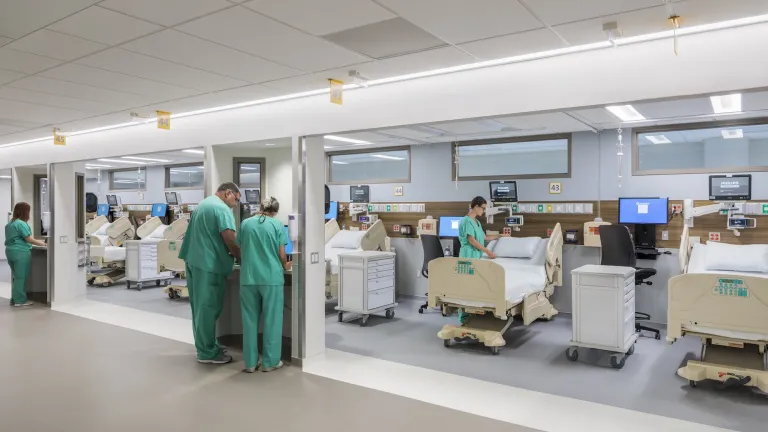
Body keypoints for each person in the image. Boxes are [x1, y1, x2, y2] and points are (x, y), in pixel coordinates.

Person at [179, 182, 242, 365]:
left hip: (194, 261)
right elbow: (230, 239)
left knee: (199, 308)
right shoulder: (222, 209)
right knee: (208, 309)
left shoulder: (204, 204)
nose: (235, 204)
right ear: (228, 193)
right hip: (209, 265)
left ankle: (207, 345)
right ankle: (206, 353)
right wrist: (241, 257)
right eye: (236, 199)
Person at [237, 197, 291, 373]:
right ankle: (270, 362)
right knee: (272, 320)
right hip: (271, 278)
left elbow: (241, 246)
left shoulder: (245, 223)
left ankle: (250, 363)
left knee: (249, 320)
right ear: (275, 211)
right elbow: (281, 253)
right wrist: (286, 264)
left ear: (260, 208)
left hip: (248, 277)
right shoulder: (276, 225)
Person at [457, 196, 507, 323]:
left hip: (477, 257)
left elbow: (484, 237)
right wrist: (487, 251)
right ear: (475, 207)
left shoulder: (477, 222)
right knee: (466, 287)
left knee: (475, 286)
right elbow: (471, 240)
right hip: (468, 255)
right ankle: (463, 318)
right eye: (483, 208)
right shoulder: (466, 221)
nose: (484, 211)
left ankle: (474, 314)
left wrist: (499, 236)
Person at [5, 202, 47, 307]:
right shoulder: (21, 223)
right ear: (25, 212)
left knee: (17, 277)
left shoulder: (10, 224)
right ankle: (20, 301)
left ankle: (14, 299)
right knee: (21, 277)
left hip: (10, 252)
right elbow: (28, 239)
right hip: (20, 252)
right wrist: (44, 244)